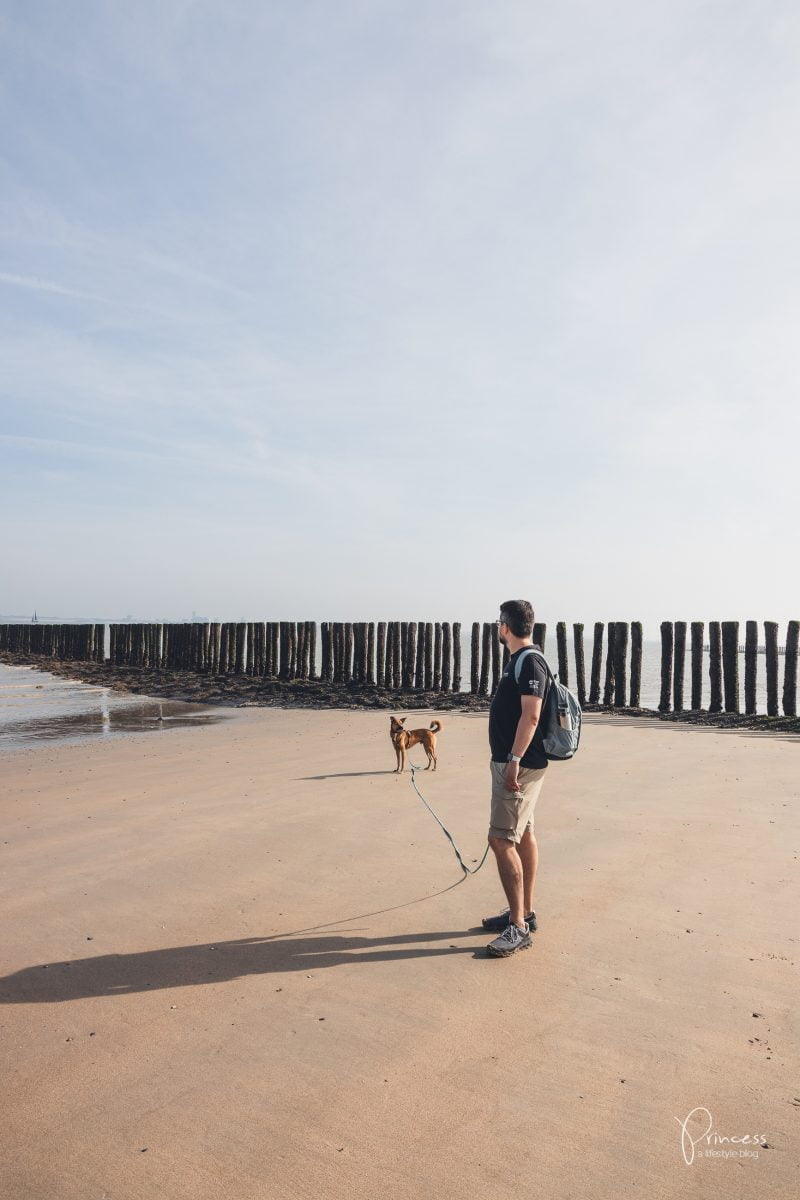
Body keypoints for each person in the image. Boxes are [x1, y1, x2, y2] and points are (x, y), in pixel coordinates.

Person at [483, 599, 548, 958]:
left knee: (500, 839)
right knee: (523, 834)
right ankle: (523, 911)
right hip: (518, 763)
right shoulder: (522, 660)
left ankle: (518, 929)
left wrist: (513, 760)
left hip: (518, 766)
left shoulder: (529, 662)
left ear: (505, 627)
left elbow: (532, 715)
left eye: (498, 623)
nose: (498, 628)